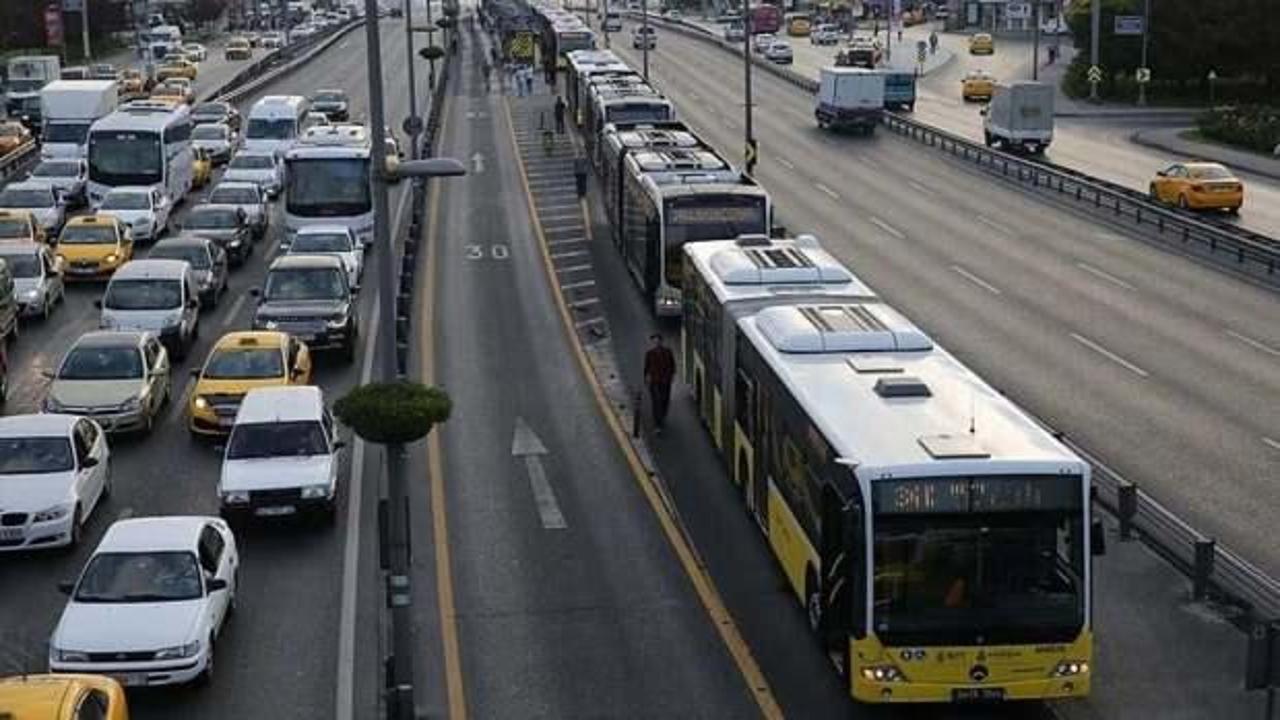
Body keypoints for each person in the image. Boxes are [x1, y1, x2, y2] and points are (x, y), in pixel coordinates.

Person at [643, 333, 676, 434]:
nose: (656, 343)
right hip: (654, 381)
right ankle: (657, 424)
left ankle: (662, 415)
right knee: (656, 402)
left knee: (665, 400)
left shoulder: (668, 352)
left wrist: (672, 376)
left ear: (661, 342)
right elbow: (646, 367)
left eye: (658, 341)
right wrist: (646, 378)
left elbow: (672, 364)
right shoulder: (649, 353)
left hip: (666, 380)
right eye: (654, 341)